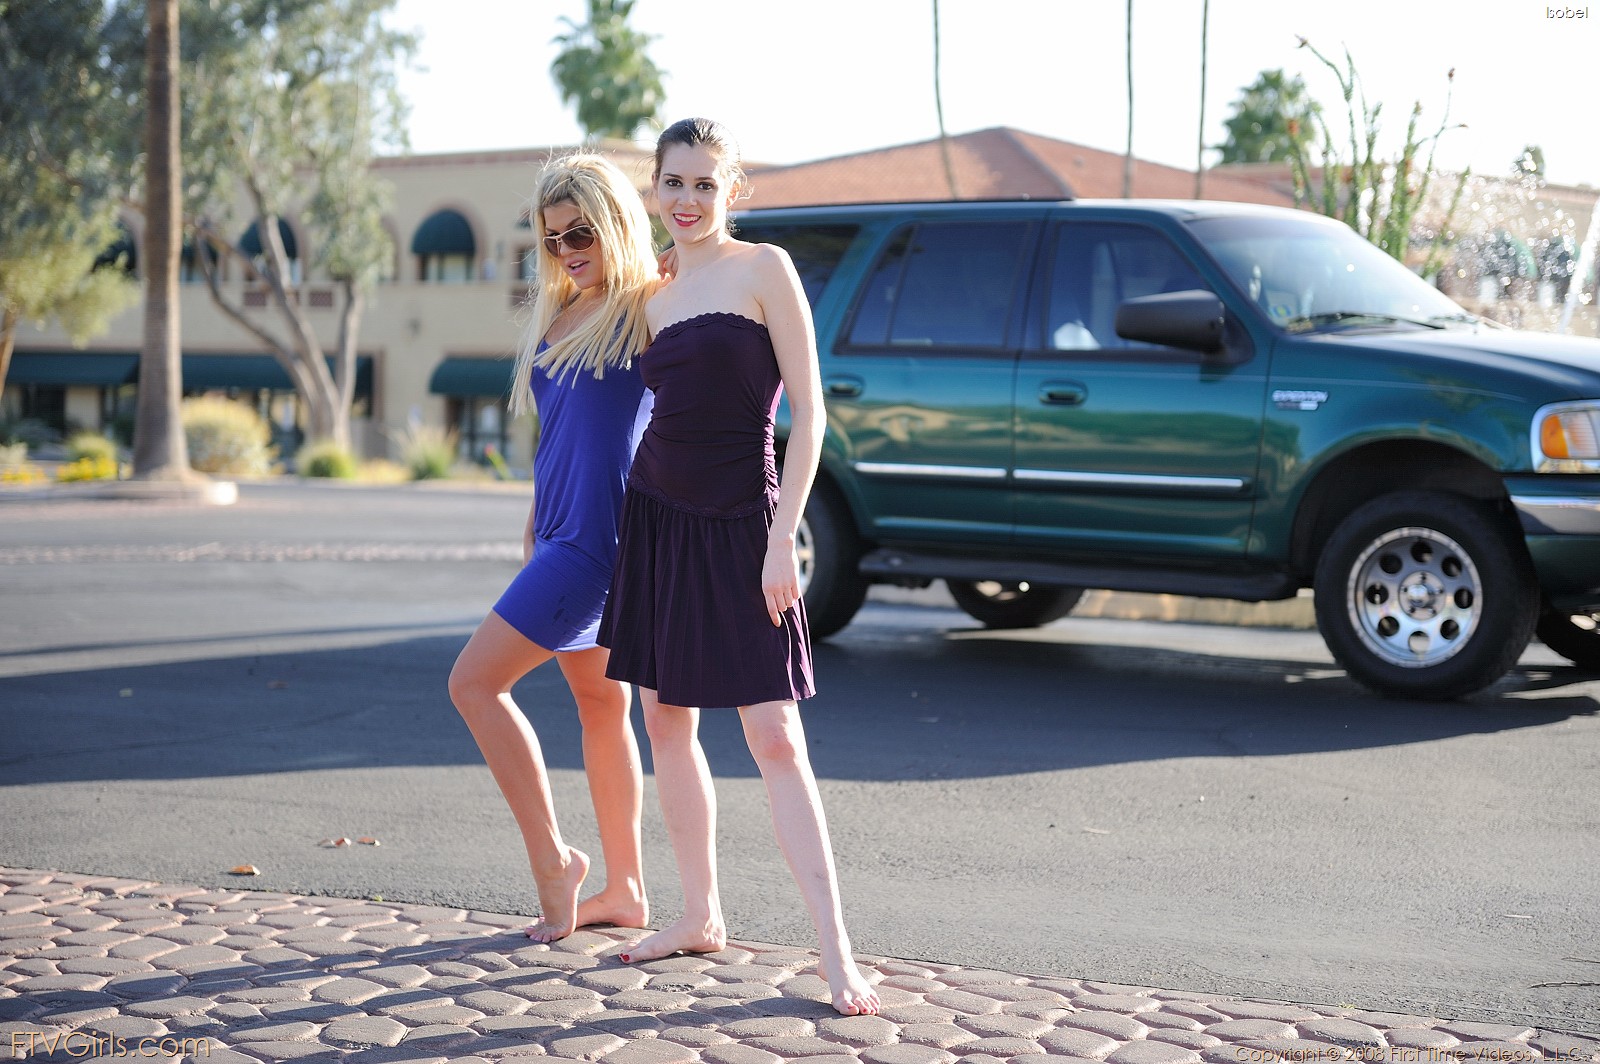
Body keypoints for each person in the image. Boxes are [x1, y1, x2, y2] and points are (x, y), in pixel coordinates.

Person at [597, 117, 881, 1017]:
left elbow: (811, 414)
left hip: (746, 526)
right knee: (665, 722)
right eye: (672, 183)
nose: (686, 200)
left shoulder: (765, 270)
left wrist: (783, 536)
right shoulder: (648, 293)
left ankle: (836, 952)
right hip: (657, 523)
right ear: (654, 188)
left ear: (731, 190)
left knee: (776, 738)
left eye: (704, 184)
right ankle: (698, 915)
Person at [448, 152, 657, 943]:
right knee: (602, 706)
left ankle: (553, 864)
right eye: (552, 238)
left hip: (600, 544)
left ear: (615, 226)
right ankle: (626, 889)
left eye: (581, 233)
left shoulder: (649, 308)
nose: (567, 250)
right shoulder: (561, 313)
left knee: (474, 683)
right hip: (559, 535)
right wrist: (535, 512)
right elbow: (559, 432)